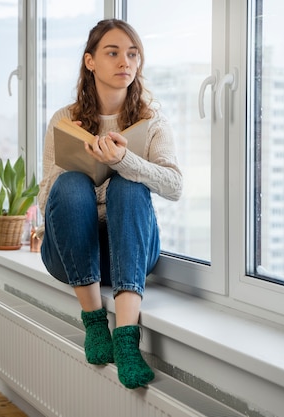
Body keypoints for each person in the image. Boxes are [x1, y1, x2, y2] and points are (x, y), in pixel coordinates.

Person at [38, 19, 183, 389]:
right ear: (90, 62)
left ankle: (126, 339)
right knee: (71, 183)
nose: (125, 62)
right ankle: (95, 324)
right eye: (113, 52)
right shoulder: (65, 119)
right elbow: (46, 199)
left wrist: (123, 163)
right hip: (72, 253)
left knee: (128, 187)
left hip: (128, 254)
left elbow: (174, 186)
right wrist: (86, 169)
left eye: (132, 54)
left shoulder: (151, 120)